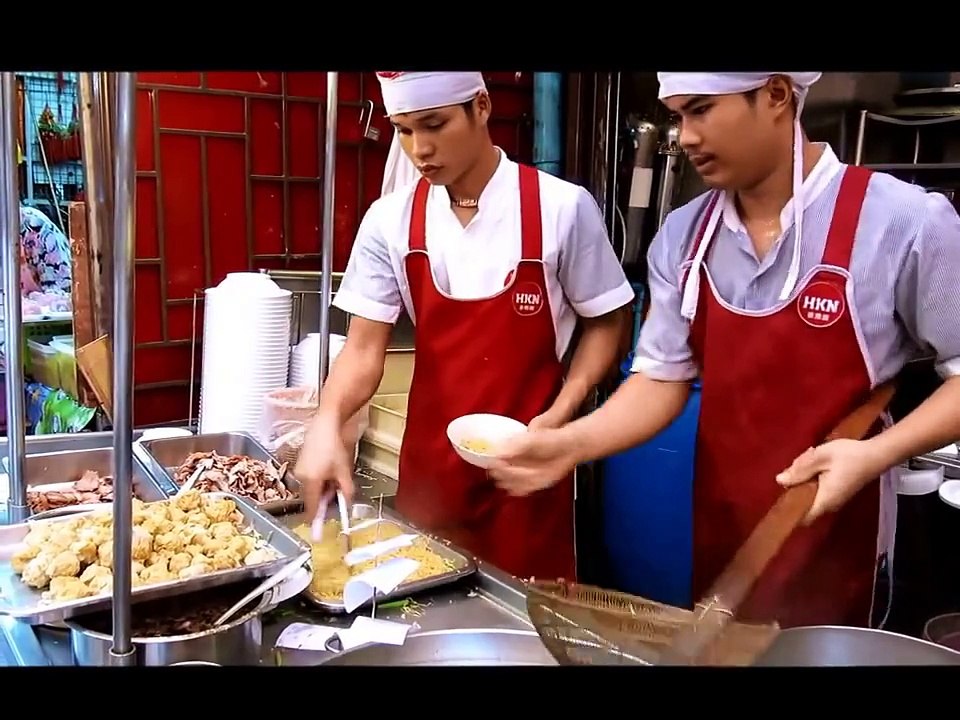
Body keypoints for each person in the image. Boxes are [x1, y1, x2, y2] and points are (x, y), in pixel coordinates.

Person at [488, 71, 960, 629]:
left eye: (702, 109)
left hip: (842, 536)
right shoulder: (686, 236)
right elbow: (661, 379)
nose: (685, 136)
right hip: (723, 529)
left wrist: (872, 455)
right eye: (678, 116)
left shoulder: (903, 222)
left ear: (778, 95)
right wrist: (570, 445)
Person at [295, 71, 635, 581]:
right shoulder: (390, 221)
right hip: (431, 475)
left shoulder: (560, 208)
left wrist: (562, 413)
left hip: (530, 468)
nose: (419, 149)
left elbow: (608, 321)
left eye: (434, 124)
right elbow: (364, 350)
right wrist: (325, 424)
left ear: (481, 106)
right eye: (403, 130)